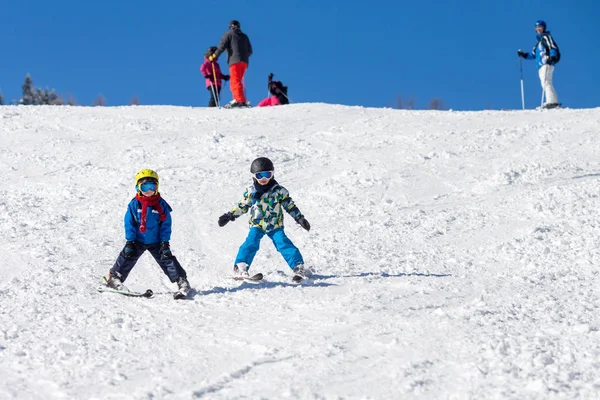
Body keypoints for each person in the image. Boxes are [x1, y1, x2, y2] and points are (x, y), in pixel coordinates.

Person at [217, 157, 312, 279]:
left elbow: (290, 206)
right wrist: (229, 215)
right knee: (251, 243)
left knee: (283, 243)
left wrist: (299, 218)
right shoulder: (251, 192)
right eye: (259, 175)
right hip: (257, 225)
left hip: (275, 225)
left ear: (272, 174)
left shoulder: (279, 191)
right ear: (254, 176)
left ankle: (298, 266)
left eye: (267, 175)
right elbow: (243, 206)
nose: (263, 179)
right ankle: (241, 267)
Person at [106, 169, 191, 299]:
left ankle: (182, 281)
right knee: (127, 256)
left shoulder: (161, 205)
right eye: (144, 187)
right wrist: (130, 241)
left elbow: (166, 225)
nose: (149, 191)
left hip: (156, 241)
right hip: (137, 240)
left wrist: (165, 242)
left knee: (167, 258)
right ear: (138, 187)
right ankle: (114, 278)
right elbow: (129, 223)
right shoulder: (134, 204)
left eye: (152, 187)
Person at [208, 20, 253, 108]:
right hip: (244, 62)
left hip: (234, 61)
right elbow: (250, 51)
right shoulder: (244, 36)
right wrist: (243, 55)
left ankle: (239, 100)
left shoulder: (228, 35)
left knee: (235, 80)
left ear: (230, 27)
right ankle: (237, 98)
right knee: (237, 80)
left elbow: (221, 47)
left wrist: (214, 56)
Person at [518, 20, 561, 109]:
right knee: (544, 83)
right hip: (540, 65)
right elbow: (533, 55)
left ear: (544, 28)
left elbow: (552, 47)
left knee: (546, 82)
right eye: (537, 28)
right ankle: (552, 100)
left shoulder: (546, 37)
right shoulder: (538, 44)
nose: (538, 29)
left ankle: (552, 101)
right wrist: (524, 55)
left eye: (540, 27)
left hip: (547, 62)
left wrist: (552, 56)